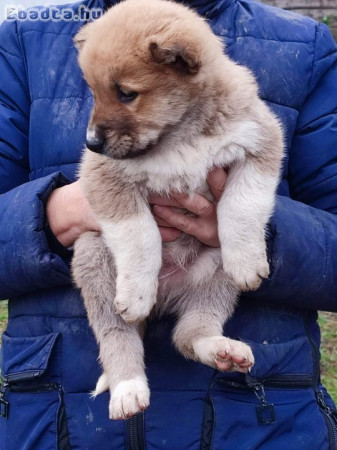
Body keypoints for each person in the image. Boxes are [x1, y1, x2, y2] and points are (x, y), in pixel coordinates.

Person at [0, 0, 337, 448]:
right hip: (59, 420)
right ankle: (123, 370)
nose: (93, 131)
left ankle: (199, 335)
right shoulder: (25, 41)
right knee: (96, 256)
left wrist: (250, 229)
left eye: (125, 94)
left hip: (259, 419)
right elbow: (101, 182)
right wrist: (52, 216)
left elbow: (263, 153)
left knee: (217, 276)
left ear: (181, 60)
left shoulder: (305, 47)